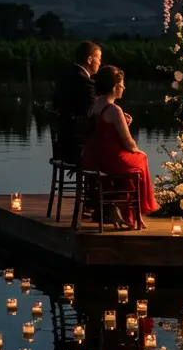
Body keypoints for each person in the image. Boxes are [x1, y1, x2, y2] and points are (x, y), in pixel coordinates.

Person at [83, 65, 158, 225]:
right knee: (141, 158)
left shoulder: (95, 105)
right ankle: (136, 212)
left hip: (95, 158)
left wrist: (123, 122)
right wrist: (136, 150)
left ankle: (127, 214)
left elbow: (105, 132)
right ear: (114, 86)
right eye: (121, 83)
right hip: (110, 161)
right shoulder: (114, 110)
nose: (124, 86)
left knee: (133, 166)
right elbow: (128, 142)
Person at [52, 41, 102, 161]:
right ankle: (99, 179)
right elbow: (93, 111)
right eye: (99, 59)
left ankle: (94, 179)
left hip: (62, 145)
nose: (100, 63)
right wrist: (115, 114)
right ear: (90, 59)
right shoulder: (84, 81)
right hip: (76, 148)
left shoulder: (66, 76)